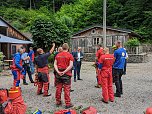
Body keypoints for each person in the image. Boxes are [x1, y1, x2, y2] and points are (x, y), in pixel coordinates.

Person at [54, 43, 74, 109]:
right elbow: (71, 65)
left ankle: (58, 101)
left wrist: (58, 71)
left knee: (58, 88)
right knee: (67, 89)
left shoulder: (58, 55)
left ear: (62, 48)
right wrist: (64, 72)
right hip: (66, 74)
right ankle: (68, 103)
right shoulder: (70, 55)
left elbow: (55, 64)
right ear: (68, 48)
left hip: (58, 74)